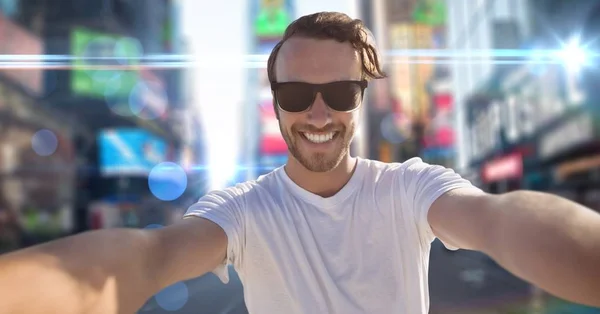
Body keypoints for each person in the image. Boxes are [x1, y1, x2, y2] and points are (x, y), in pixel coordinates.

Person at [1, 11, 599, 314]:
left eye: (339, 93)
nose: (318, 113)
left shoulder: (410, 187)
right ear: (275, 104)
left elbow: (502, 220)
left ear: (360, 100)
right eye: (295, 96)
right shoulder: (243, 208)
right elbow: (149, 256)